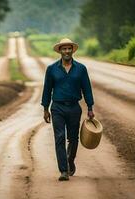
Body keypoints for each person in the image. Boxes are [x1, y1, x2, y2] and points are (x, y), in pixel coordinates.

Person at [41, 38, 95, 181]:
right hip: (57, 107)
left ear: (72, 50)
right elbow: (47, 89)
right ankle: (63, 170)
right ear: (60, 51)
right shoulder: (52, 69)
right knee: (59, 138)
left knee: (73, 139)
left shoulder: (81, 69)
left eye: (69, 49)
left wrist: (90, 107)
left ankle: (70, 161)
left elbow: (87, 89)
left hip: (74, 108)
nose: (66, 51)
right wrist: (45, 108)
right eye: (64, 49)